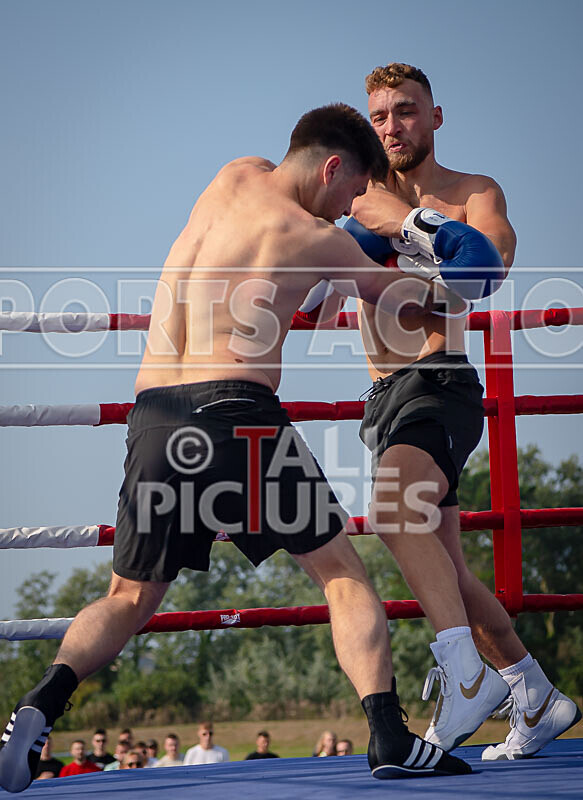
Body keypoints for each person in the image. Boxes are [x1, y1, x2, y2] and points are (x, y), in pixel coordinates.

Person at [0, 102, 472, 793]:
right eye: (350, 193)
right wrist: (448, 249)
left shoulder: (230, 176)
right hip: (237, 413)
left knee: (129, 597)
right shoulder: (318, 237)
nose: (348, 209)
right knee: (341, 573)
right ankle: (389, 733)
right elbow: (428, 305)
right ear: (334, 166)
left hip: (154, 417)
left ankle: (42, 702)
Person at [346, 61, 581, 760]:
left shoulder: (472, 192)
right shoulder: (355, 197)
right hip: (382, 399)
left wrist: (419, 230)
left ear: (434, 117)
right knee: (446, 567)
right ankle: (533, 693)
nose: (393, 126)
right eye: (381, 116)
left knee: (389, 510)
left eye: (406, 111)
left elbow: (489, 263)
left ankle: (466, 676)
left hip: (437, 383)